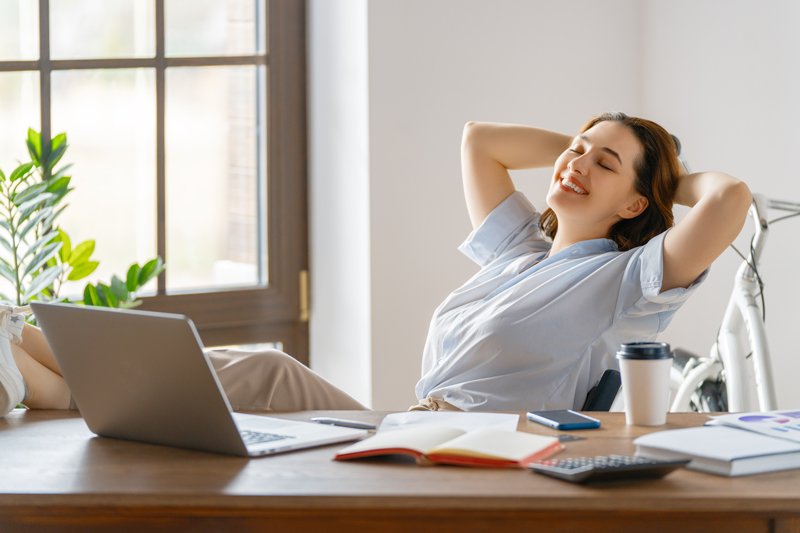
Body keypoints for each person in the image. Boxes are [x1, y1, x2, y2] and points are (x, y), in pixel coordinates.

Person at [0, 112, 751, 416]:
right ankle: (28, 354)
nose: (576, 162)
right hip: (409, 434)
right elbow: (478, 140)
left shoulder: (624, 282)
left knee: (266, 373)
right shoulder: (519, 251)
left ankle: (42, 376)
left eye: (604, 162)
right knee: (244, 367)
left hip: (464, 464)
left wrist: (666, 181)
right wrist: (589, 147)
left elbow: (731, 200)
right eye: (576, 149)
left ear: (632, 205)